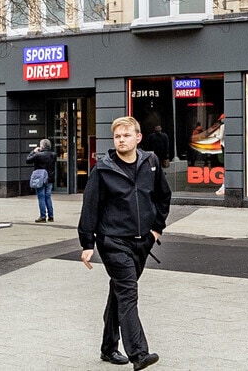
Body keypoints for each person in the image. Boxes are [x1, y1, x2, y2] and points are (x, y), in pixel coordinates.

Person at [78, 116, 171, 369]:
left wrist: (157, 230)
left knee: (119, 294)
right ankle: (139, 354)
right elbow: (90, 206)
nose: (121, 140)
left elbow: (164, 196)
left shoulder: (150, 162)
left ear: (138, 138)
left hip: (143, 242)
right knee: (128, 293)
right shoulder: (103, 169)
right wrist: (87, 243)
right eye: (117, 136)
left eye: (126, 135)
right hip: (113, 241)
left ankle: (109, 348)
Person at [26, 138, 59, 223]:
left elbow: (28, 160)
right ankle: (51, 216)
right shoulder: (53, 154)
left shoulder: (38, 155)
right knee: (48, 196)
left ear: (42, 146)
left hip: (40, 178)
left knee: (41, 197)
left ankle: (43, 216)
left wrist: (34, 151)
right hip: (49, 178)